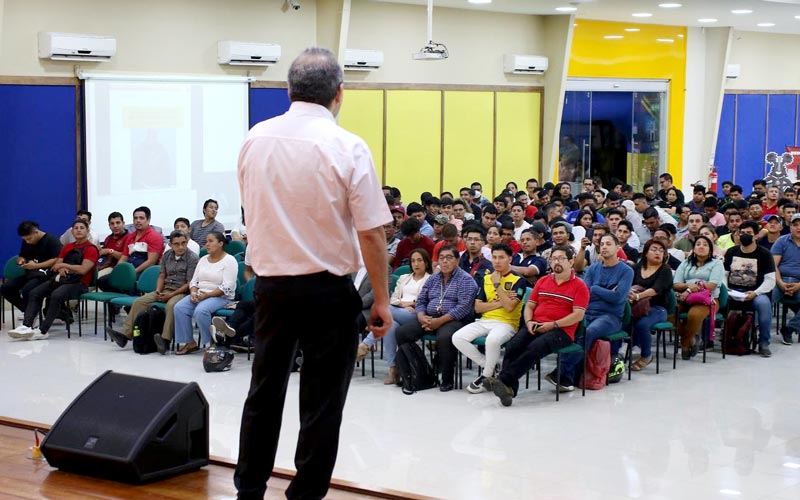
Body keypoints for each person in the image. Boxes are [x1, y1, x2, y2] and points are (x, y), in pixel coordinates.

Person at [234, 48, 392, 500]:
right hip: (328, 291)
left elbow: (253, 210)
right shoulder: (347, 145)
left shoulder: (255, 138)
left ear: (288, 90)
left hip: (271, 289)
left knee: (263, 393)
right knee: (322, 403)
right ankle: (304, 495)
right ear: (339, 94)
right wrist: (380, 299)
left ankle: (249, 489)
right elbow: (371, 234)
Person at [483, 245, 589, 406]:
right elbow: (530, 306)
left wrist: (553, 324)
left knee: (535, 347)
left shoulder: (580, 286)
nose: (556, 262)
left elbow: (578, 315)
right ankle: (509, 390)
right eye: (553, 259)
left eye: (561, 258)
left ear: (571, 261)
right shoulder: (543, 281)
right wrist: (529, 321)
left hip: (561, 330)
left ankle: (503, 380)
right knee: (513, 346)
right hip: (536, 324)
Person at [553, 233, 633, 390]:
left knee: (589, 331)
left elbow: (617, 298)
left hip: (610, 317)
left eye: (608, 244)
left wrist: (596, 289)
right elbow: (585, 293)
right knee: (569, 328)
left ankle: (562, 373)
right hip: (587, 312)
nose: (603, 246)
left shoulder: (626, 271)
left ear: (618, 248)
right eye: (602, 244)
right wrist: (605, 291)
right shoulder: (593, 268)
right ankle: (567, 376)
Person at [396, 245, 478, 392]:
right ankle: (418, 372)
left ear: (457, 261)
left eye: (449, 258)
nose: (445, 261)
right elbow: (421, 301)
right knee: (402, 332)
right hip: (429, 317)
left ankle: (446, 379)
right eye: (441, 258)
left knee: (445, 337)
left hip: (455, 319)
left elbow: (463, 308)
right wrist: (421, 317)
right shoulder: (433, 279)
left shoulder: (466, 280)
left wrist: (438, 322)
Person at [106, 230, 199, 353]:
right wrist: (158, 291)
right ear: (170, 245)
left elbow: (190, 283)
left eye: (183, 243)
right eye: (177, 244)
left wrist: (170, 295)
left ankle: (165, 341)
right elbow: (161, 275)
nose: (181, 247)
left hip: (182, 291)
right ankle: (124, 336)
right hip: (165, 288)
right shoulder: (167, 255)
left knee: (171, 306)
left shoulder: (192, 258)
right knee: (139, 302)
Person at [452, 244, 526, 393]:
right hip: (485, 320)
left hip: (507, 323)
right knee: (457, 337)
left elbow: (510, 308)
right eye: (494, 257)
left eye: (501, 257)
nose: (497, 261)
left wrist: (497, 285)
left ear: (510, 259)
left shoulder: (519, 280)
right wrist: (502, 301)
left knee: (492, 340)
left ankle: (485, 376)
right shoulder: (486, 278)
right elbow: (478, 308)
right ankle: (490, 367)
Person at [9, 219, 99, 340]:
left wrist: (65, 266)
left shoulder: (91, 248)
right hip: (62, 279)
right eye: (75, 228)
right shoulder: (67, 247)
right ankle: (26, 325)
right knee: (35, 293)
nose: (78, 230)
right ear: (71, 231)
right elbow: (57, 265)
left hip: (79, 283)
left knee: (56, 295)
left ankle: (43, 330)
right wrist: (61, 267)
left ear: (88, 231)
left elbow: (83, 269)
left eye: (82, 228)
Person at [358, 248, 431, 385]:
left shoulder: (431, 279)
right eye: (413, 261)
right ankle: (393, 370)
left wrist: (412, 304)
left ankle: (366, 344)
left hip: (417, 315)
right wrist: (403, 305)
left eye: (419, 260)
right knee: (390, 325)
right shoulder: (404, 278)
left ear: (426, 262)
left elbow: (425, 300)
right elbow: (393, 299)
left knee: (385, 311)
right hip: (398, 311)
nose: (416, 264)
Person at [172, 231, 238, 355]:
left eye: (210, 241)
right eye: (206, 241)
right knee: (179, 307)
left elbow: (227, 287)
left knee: (201, 310)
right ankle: (189, 343)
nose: (207, 244)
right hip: (200, 294)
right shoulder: (203, 259)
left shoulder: (230, 260)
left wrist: (207, 295)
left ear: (220, 244)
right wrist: (193, 292)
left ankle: (211, 343)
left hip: (221, 297)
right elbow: (194, 280)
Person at [724, 221, 775, 357]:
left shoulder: (764, 254)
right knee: (713, 300)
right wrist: (726, 288)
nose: (745, 236)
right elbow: (724, 274)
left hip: (755, 293)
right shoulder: (731, 252)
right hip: (732, 291)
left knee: (764, 304)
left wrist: (756, 293)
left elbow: (770, 280)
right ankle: (710, 340)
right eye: (742, 233)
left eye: (748, 233)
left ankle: (764, 342)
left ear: (756, 236)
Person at [673, 235, 724, 360]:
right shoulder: (685, 263)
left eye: (705, 245)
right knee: (669, 312)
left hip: (708, 300)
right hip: (685, 297)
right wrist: (688, 286)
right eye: (698, 244)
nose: (701, 246)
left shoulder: (716, 264)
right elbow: (676, 284)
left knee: (694, 315)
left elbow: (712, 285)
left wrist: (693, 287)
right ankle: (690, 338)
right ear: (694, 248)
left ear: (710, 250)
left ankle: (685, 343)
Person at [1, 221, 62, 319]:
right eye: (25, 240)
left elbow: (57, 259)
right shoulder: (27, 241)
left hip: (46, 275)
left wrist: (36, 266)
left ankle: (31, 314)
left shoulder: (51, 240)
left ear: (36, 232)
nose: (27, 242)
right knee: (6, 288)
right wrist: (21, 260)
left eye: (29, 239)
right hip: (31, 273)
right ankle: (27, 311)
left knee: (28, 290)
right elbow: (22, 255)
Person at [628, 239, 673, 371]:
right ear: (646, 253)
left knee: (642, 324)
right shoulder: (636, 268)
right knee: (622, 320)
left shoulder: (665, 270)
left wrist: (638, 296)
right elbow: (627, 283)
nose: (658, 253)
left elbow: (656, 290)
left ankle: (646, 356)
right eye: (654, 249)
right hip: (635, 306)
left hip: (657, 308)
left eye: (661, 250)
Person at [772, 213, 800, 345]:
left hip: (799, 283)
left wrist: (799, 285)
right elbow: (774, 266)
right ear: (790, 227)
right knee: (763, 301)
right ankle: (754, 334)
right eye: (795, 225)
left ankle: (789, 328)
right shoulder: (782, 241)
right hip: (779, 280)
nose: (798, 228)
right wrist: (781, 283)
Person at [96, 212, 128, 279]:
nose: (115, 226)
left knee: (97, 278)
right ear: (109, 225)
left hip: (116, 268)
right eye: (112, 223)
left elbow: (125, 257)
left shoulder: (129, 238)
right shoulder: (108, 238)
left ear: (123, 223)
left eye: (118, 223)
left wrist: (109, 251)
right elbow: (102, 253)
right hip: (103, 265)